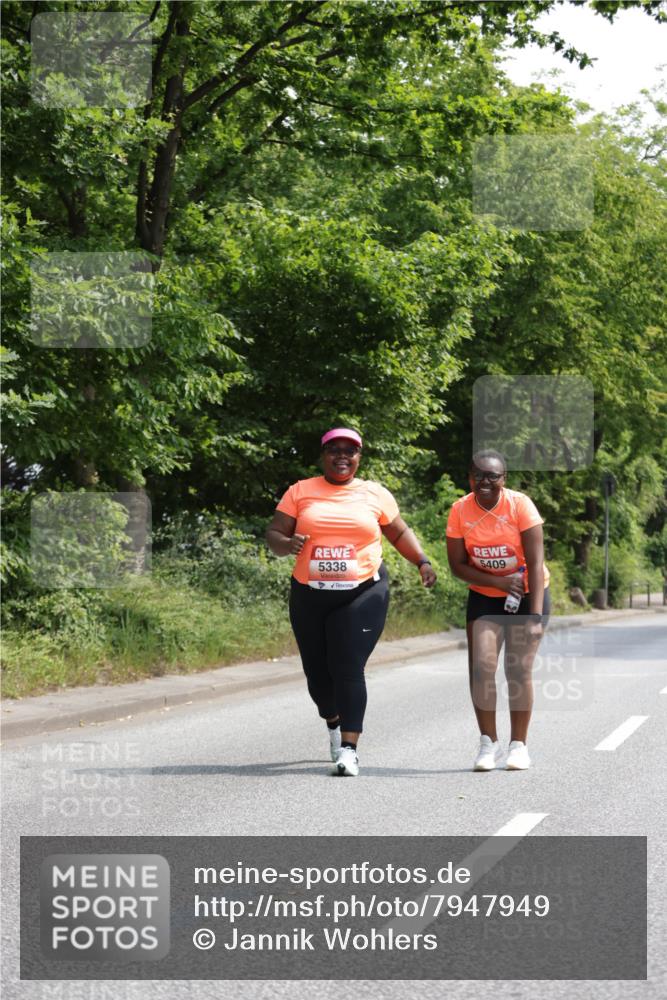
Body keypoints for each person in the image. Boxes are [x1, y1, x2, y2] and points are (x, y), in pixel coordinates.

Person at [266, 427, 437, 776]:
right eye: (335, 450)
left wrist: (422, 561)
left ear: (359, 457)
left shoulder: (374, 493)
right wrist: (286, 544)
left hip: (363, 590)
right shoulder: (300, 491)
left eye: (350, 451)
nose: (342, 456)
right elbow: (274, 534)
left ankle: (349, 749)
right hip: (309, 593)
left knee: (348, 665)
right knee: (317, 676)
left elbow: (399, 532)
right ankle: (333, 721)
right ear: (323, 455)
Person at [446, 450, 550, 771]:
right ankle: (487, 744)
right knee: (481, 666)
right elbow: (457, 565)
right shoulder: (460, 510)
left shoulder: (520, 505)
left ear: (504, 479)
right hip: (485, 595)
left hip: (528, 593)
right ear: (470, 478)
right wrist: (498, 582)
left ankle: (519, 746)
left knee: (517, 670)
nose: (485, 481)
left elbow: (535, 563)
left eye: (493, 476)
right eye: (478, 475)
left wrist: (534, 617)